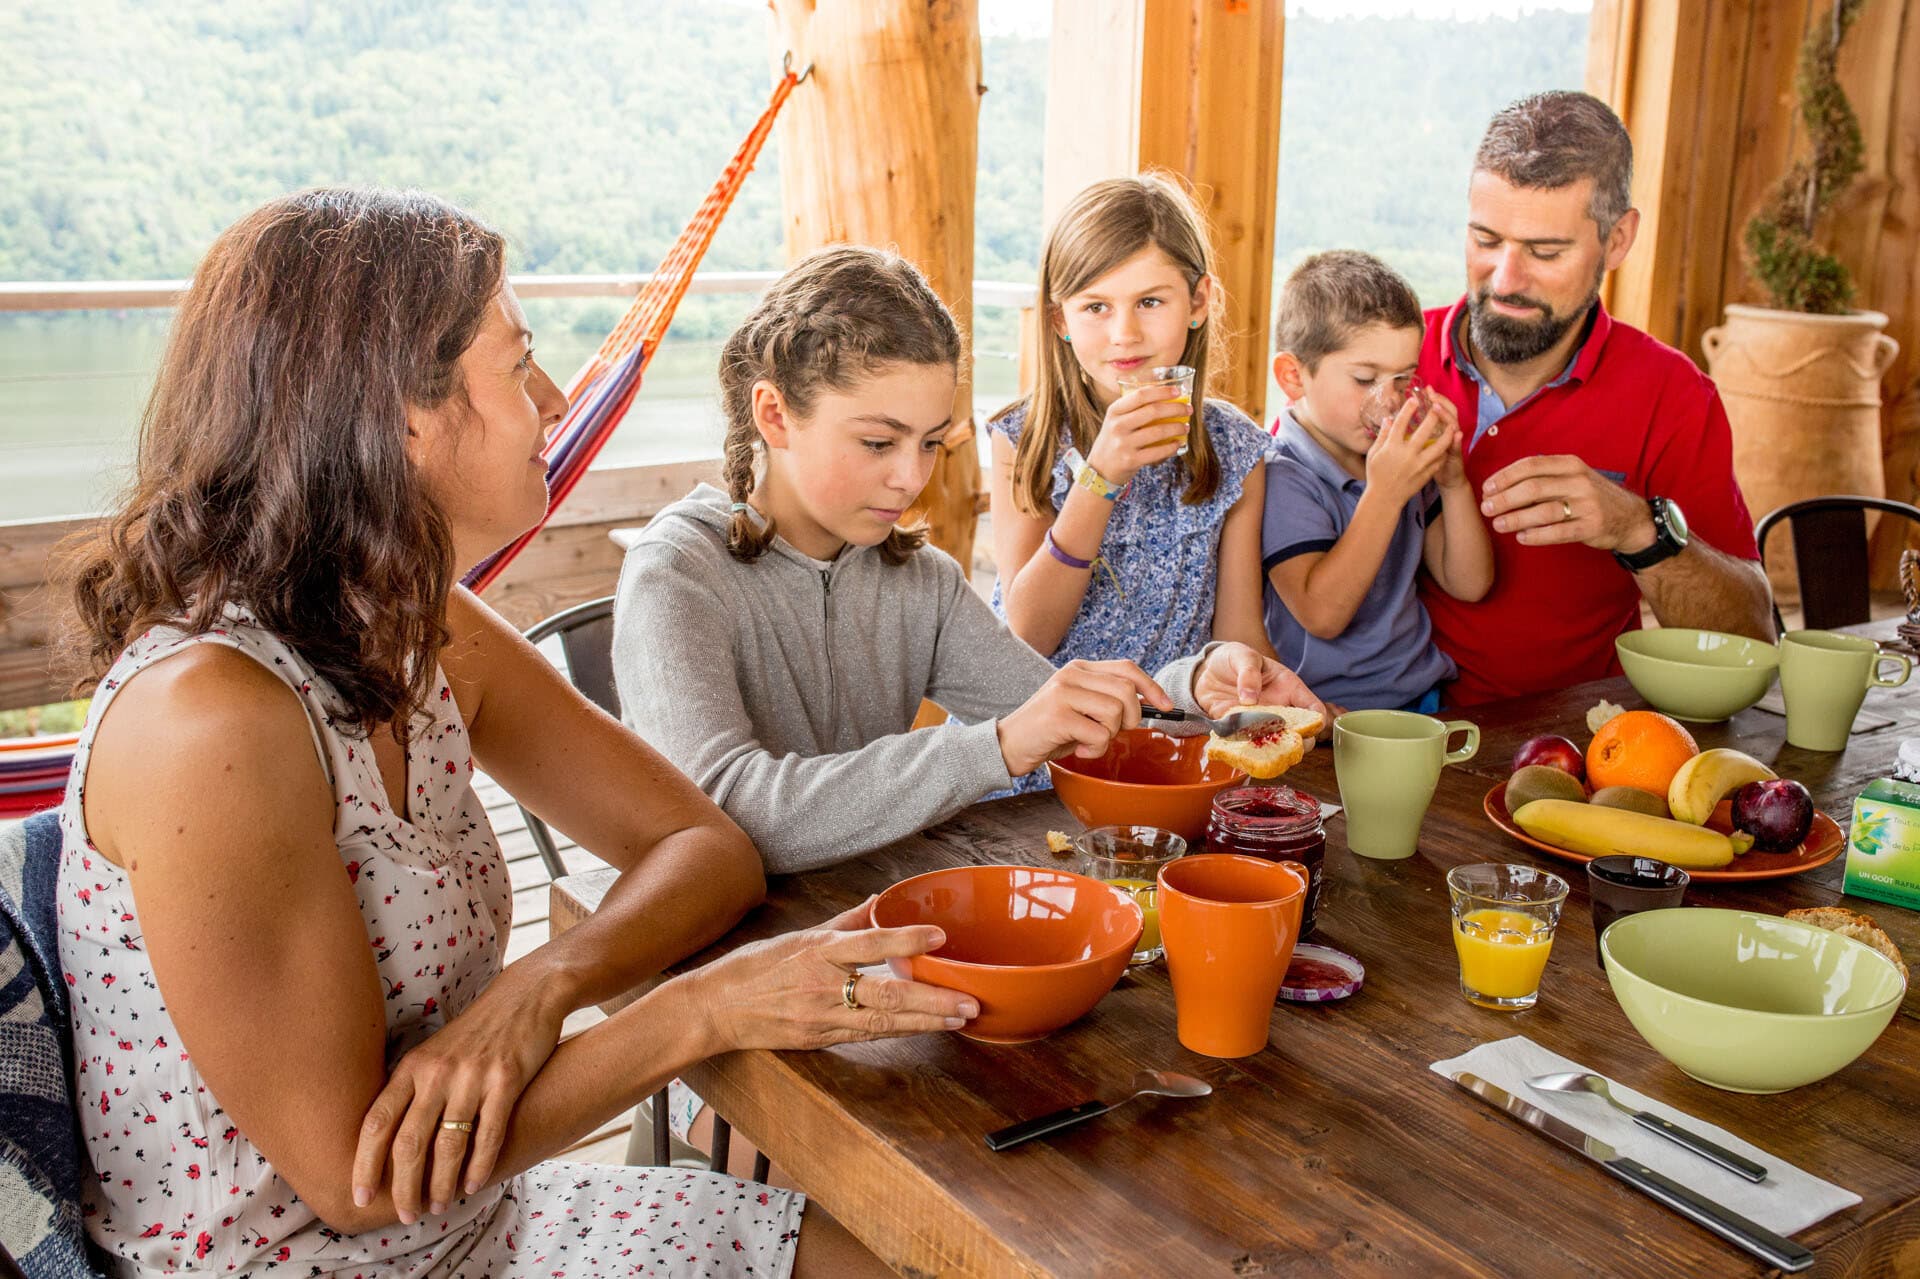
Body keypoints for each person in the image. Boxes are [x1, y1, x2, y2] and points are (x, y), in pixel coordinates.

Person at [54, 188, 979, 1279]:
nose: (553, 397)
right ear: (398, 412)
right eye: (519, 362)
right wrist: (705, 1011)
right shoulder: (211, 723)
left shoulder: (414, 622)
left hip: (481, 1221)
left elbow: (706, 848)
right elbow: (362, 1179)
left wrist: (536, 990)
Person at [614, 244, 1324, 875]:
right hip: (703, 964)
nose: (909, 477)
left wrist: (1198, 681)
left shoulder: (920, 582)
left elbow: (1066, 718)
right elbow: (727, 816)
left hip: (862, 922)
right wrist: (998, 747)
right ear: (774, 415)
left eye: (929, 443)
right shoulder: (677, 572)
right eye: (877, 442)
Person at [1416, 91, 1773, 705]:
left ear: (1617, 240)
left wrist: (1637, 527)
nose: (1505, 279)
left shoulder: (1674, 394)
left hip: (1560, 745)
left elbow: (1750, 639)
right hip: (1364, 726)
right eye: (1485, 239)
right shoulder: (1387, 361)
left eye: (1545, 252)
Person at [986, 174, 1276, 680]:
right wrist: (1100, 477)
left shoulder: (1234, 448)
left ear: (1199, 302)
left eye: (1149, 302)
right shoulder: (1025, 437)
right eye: (1096, 307)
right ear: (1060, 320)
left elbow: (1238, 633)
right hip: (1036, 738)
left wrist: (1267, 686)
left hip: (1164, 740)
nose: (1125, 334)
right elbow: (1028, 635)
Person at [1262, 251, 1494, 713]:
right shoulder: (1282, 473)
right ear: (1293, 377)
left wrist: (1453, 484)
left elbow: (1469, 583)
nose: (1388, 402)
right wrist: (1384, 493)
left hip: (1420, 699)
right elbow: (1322, 614)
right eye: (1365, 378)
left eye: (1403, 379)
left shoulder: (1394, 458)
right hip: (1326, 716)